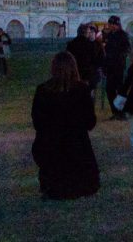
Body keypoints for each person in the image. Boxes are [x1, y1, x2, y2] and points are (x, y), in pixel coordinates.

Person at [31, 51, 100, 200]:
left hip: (51, 145)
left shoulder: (43, 90)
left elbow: (37, 121)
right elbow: (90, 122)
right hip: (76, 145)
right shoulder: (81, 90)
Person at [103, 16, 131, 121]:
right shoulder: (109, 35)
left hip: (119, 66)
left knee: (120, 90)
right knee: (109, 90)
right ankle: (115, 111)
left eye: (113, 24)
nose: (111, 26)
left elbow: (127, 48)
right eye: (110, 24)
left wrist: (119, 56)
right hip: (110, 66)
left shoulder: (123, 35)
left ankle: (122, 112)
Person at [65, 23, 102, 96]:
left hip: (75, 74)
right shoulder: (91, 45)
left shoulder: (71, 44)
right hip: (88, 75)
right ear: (86, 33)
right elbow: (97, 60)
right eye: (89, 32)